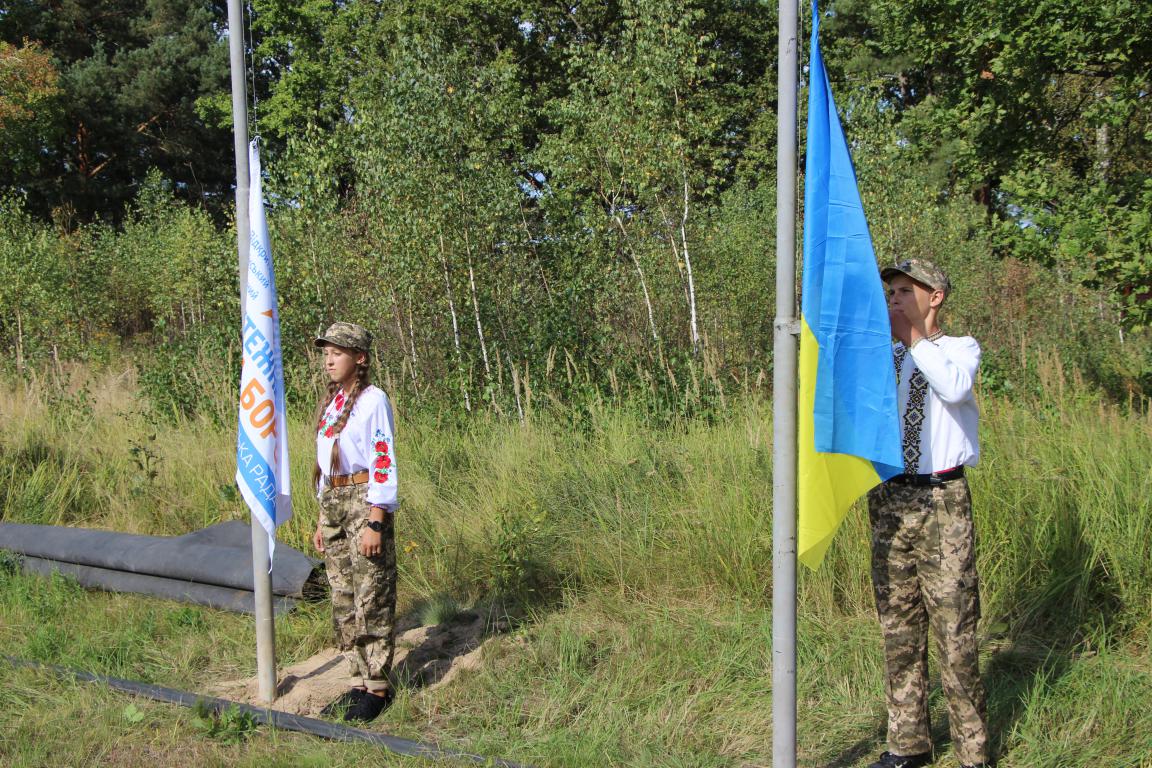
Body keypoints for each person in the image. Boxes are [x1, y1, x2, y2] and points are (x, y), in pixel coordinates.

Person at [866, 259, 991, 768]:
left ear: (934, 296)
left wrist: (914, 338)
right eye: (890, 292)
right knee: (898, 628)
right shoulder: (886, 355)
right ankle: (908, 746)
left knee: (955, 633)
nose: (894, 299)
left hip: (942, 501)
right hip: (891, 499)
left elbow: (954, 388)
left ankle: (972, 753)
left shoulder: (958, 348)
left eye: (904, 290)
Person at [311, 322, 399, 723]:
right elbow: (326, 463)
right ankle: (358, 682)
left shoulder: (372, 400)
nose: (329, 360)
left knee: (371, 592)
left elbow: (382, 458)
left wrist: (376, 520)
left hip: (364, 500)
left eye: (337, 353)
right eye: (326, 353)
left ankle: (378, 687)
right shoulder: (333, 402)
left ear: (359, 358)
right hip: (334, 500)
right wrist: (322, 518)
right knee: (343, 595)